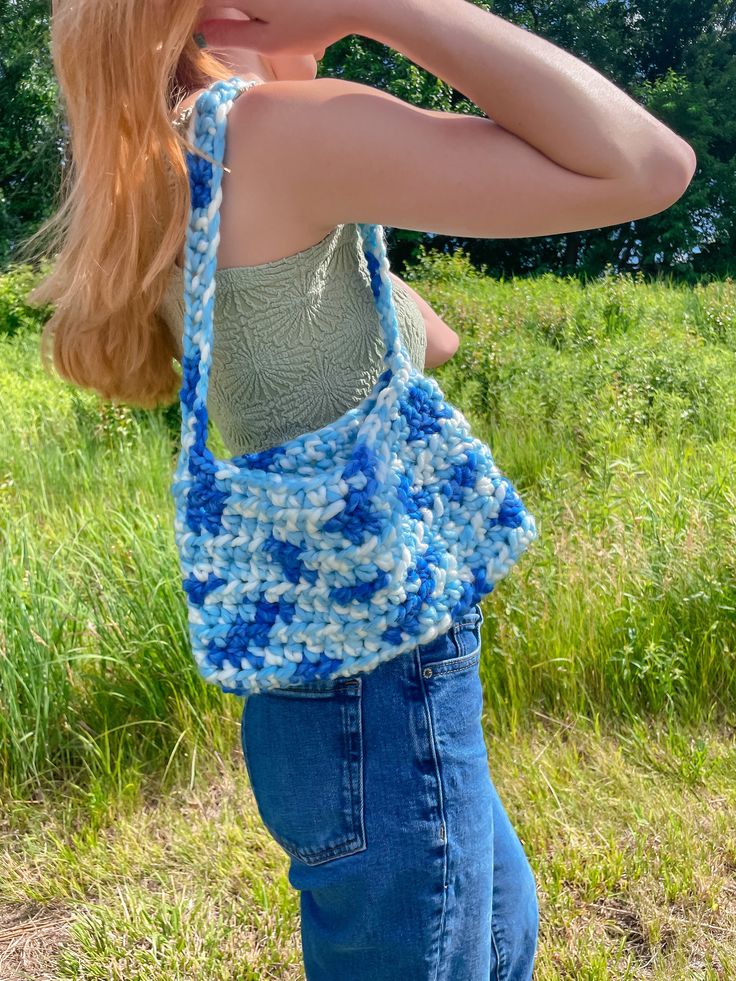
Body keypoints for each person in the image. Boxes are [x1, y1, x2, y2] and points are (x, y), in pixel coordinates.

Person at [22, 1, 696, 977]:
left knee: (495, 936)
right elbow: (646, 165)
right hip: (380, 680)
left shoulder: (176, 152)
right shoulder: (276, 132)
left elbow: (427, 337)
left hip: (326, 689)